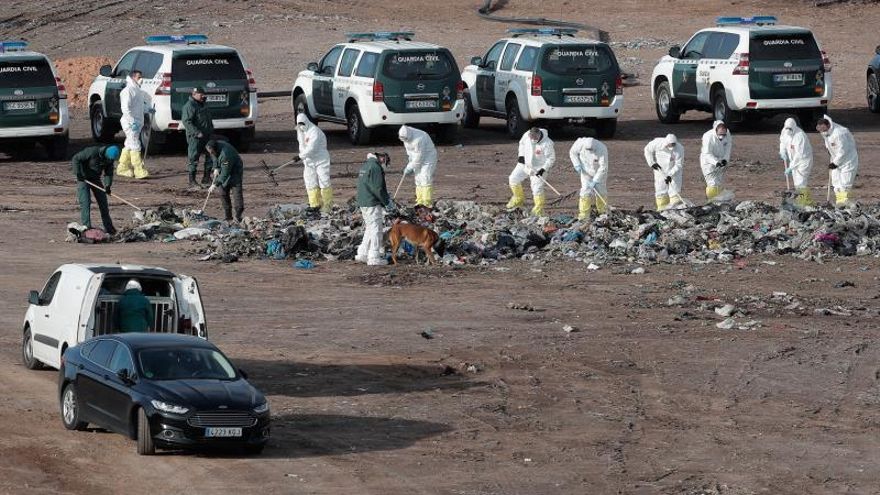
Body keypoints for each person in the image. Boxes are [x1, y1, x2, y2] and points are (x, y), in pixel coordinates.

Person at [507, 127, 556, 216]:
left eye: (535, 138)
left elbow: (551, 159)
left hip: (539, 168)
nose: (532, 140)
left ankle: (538, 209)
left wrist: (543, 169)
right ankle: (518, 198)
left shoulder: (547, 143)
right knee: (513, 179)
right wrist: (521, 155)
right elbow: (521, 143)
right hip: (525, 163)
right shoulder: (526, 135)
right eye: (531, 137)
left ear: (539, 135)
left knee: (537, 189)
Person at [72, 145, 120, 234]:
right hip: (84, 179)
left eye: (111, 160)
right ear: (105, 154)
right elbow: (76, 158)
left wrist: (107, 186)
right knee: (85, 202)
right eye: (109, 159)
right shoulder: (92, 152)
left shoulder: (109, 160)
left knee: (103, 202)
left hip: (95, 179)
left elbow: (108, 173)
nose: (110, 161)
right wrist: (78, 173)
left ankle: (109, 228)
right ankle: (86, 227)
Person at [356, 152, 392, 266]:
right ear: (381, 158)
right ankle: (374, 257)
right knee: (376, 228)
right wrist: (387, 202)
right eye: (385, 161)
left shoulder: (366, 165)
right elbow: (378, 188)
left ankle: (362, 253)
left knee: (370, 227)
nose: (385, 164)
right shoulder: (375, 167)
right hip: (372, 202)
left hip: (363, 201)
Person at [116, 70, 151, 180]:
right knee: (135, 144)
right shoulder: (128, 91)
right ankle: (138, 170)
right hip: (130, 123)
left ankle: (122, 168)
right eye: (139, 77)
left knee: (129, 144)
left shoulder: (137, 90)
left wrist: (148, 109)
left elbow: (139, 107)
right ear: (133, 77)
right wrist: (132, 122)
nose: (141, 79)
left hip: (137, 122)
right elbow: (125, 109)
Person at [816, 115, 859, 206]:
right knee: (836, 183)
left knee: (845, 184)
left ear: (827, 126)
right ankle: (840, 202)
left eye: (823, 130)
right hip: (836, 160)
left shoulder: (839, 134)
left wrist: (835, 163)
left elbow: (843, 151)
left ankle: (844, 204)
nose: (822, 132)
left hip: (848, 161)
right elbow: (831, 146)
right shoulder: (827, 133)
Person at [296, 113, 333, 212]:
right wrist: (303, 157)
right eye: (299, 124)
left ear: (306, 121)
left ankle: (327, 206)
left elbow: (312, 148)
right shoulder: (300, 130)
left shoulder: (314, 131)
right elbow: (301, 144)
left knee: (324, 180)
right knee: (309, 181)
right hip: (309, 161)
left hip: (321, 159)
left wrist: (300, 156)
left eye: (302, 123)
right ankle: (314, 204)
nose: (301, 126)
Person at [181, 86, 214, 188]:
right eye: (200, 94)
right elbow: (186, 121)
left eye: (203, 94)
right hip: (195, 137)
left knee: (210, 156)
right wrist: (196, 132)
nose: (203, 96)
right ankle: (192, 181)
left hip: (207, 135)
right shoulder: (190, 106)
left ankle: (206, 178)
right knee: (194, 158)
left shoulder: (203, 104)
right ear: (194, 94)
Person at [569, 137, 608, 220]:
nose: (589, 151)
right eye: (588, 149)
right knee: (585, 191)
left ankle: (602, 211)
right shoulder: (580, 143)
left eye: (591, 149)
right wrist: (576, 164)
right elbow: (572, 153)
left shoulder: (602, 148)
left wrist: (595, 180)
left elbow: (603, 167)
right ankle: (584, 214)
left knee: (601, 191)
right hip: (585, 171)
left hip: (598, 172)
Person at [399, 125, 438, 206]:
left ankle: (426, 202)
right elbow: (410, 152)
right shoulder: (405, 138)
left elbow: (419, 157)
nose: (405, 141)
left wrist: (410, 167)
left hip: (428, 158)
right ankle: (420, 201)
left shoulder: (419, 139)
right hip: (416, 158)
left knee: (425, 178)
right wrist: (410, 161)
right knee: (418, 179)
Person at [779, 117, 814, 208]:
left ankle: (802, 203)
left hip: (803, 160)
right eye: (786, 128)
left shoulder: (800, 136)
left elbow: (799, 155)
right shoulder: (784, 131)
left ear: (794, 127)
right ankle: (808, 201)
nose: (788, 131)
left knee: (800, 182)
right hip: (793, 159)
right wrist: (782, 151)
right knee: (797, 183)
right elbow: (782, 142)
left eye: (790, 129)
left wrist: (791, 167)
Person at [644, 134, 685, 210]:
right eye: (670, 144)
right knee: (661, 189)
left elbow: (679, 165)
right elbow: (647, 150)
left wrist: (670, 175)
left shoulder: (679, 148)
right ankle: (662, 210)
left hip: (675, 171)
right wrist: (652, 163)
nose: (671, 146)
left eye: (673, 144)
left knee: (675, 191)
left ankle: (675, 209)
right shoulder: (657, 143)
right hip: (660, 170)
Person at [206, 140, 244, 222]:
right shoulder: (212, 148)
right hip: (223, 169)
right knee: (223, 193)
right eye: (210, 152)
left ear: (215, 149)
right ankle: (228, 217)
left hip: (235, 172)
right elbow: (214, 157)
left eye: (212, 152)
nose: (211, 153)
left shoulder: (225, 154)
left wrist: (215, 184)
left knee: (236, 193)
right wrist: (216, 167)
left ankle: (238, 216)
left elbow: (225, 173)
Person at [700, 120, 733, 202]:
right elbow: (707, 153)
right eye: (720, 134)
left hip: (721, 160)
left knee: (718, 182)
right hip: (708, 162)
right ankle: (710, 202)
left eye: (723, 134)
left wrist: (725, 160)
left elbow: (728, 148)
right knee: (712, 183)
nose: (722, 136)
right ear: (716, 130)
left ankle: (718, 201)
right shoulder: (708, 136)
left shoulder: (727, 134)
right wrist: (715, 162)